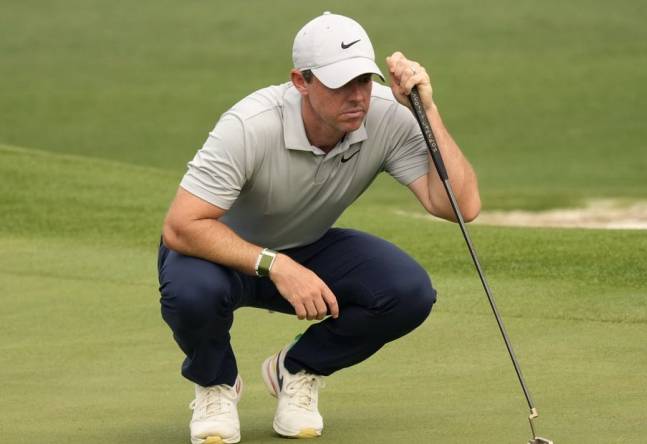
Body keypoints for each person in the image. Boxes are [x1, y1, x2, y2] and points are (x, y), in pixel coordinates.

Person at [158, 11, 480, 444]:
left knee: (408, 292)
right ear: (300, 81)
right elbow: (182, 226)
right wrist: (276, 265)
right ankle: (216, 384)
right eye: (340, 83)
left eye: (364, 81)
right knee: (190, 293)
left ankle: (298, 369)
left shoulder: (386, 115)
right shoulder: (250, 125)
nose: (357, 97)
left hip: (307, 247)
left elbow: (460, 205)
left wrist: (427, 111)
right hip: (218, 254)